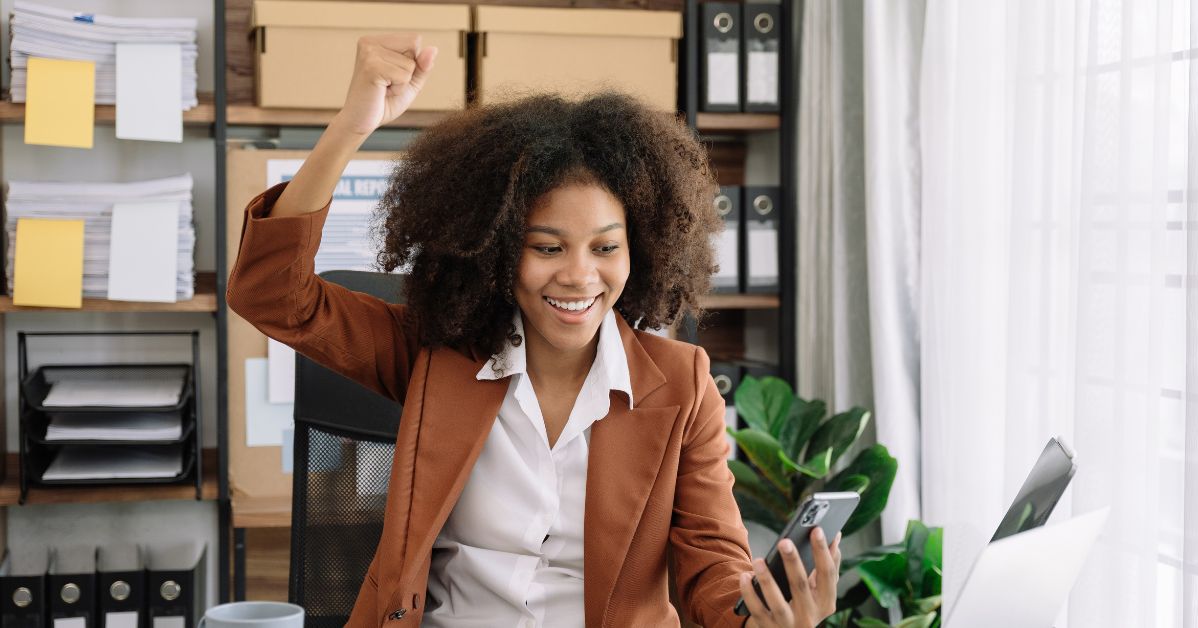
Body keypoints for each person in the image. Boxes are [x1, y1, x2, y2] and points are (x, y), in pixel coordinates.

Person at [227, 33, 841, 628]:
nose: (579, 276)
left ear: (643, 251)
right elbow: (273, 295)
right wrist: (352, 126)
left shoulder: (682, 386)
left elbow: (713, 563)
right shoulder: (434, 356)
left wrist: (760, 613)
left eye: (606, 247)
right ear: (495, 250)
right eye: (547, 246)